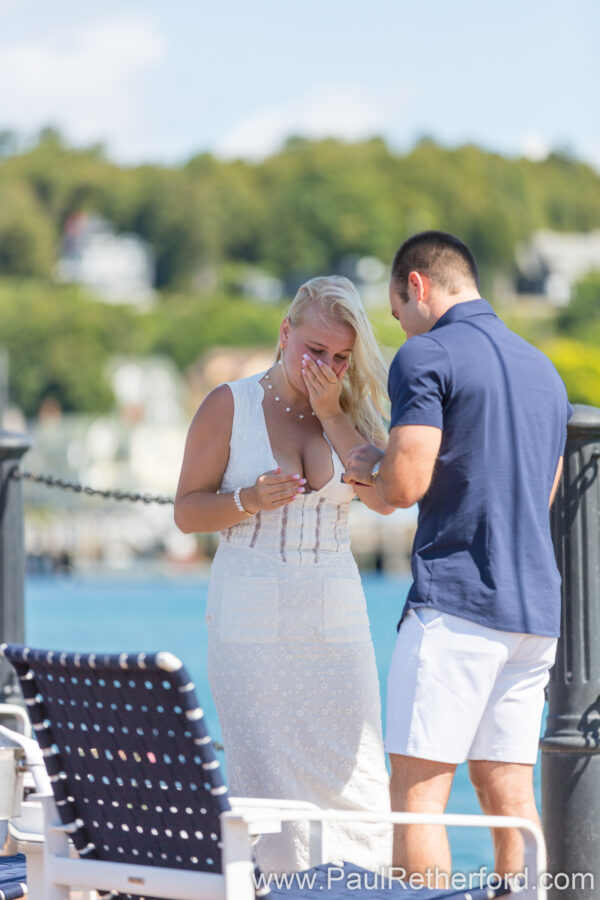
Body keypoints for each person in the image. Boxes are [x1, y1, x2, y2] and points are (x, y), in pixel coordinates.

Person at [344, 231, 572, 885]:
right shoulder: (543, 370)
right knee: (511, 803)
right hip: (535, 613)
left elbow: (406, 485)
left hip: (457, 605)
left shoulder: (426, 355)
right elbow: (542, 493)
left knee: (418, 799)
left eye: (396, 309)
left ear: (416, 286)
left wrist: (369, 470)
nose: (400, 325)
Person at [175, 276, 393, 875]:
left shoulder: (353, 409)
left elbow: (383, 500)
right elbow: (186, 511)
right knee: (268, 787)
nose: (326, 365)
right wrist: (246, 498)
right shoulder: (229, 404)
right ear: (284, 332)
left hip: (336, 616)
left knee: (362, 777)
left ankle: (364, 890)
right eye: (315, 350)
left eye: (341, 357)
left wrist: (332, 412)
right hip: (251, 622)